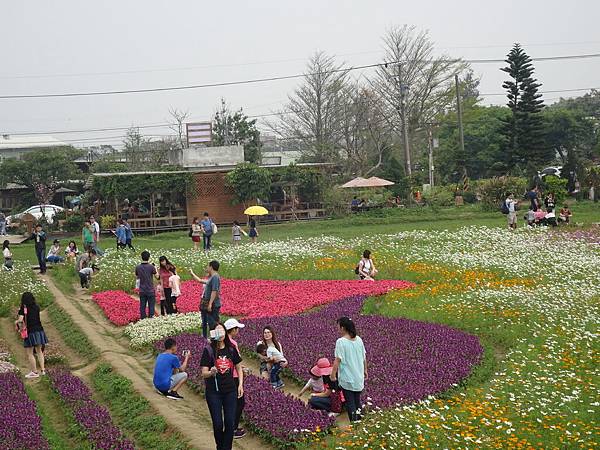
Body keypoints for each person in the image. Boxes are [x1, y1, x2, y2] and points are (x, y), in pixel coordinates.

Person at [200, 322, 244, 450]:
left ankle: (226, 448)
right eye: (217, 331)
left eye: (222, 331)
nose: (220, 334)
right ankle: (220, 446)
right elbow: (204, 373)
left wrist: (240, 384)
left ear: (225, 332)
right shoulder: (208, 350)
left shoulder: (231, 349)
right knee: (218, 423)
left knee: (230, 422)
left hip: (230, 390)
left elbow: (238, 367)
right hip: (214, 392)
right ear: (213, 334)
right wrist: (211, 372)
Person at [331, 317, 367, 422]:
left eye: (338, 326)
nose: (337, 329)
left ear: (343, 328)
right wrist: (365, 370)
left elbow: (337, 359)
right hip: (358, 376)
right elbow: (364, 357)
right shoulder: (359, 339)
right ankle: (361, 421)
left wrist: (333, 374)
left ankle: (355, 423)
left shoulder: (341, 342)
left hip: (348, 377)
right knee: (357, 401)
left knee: (350, 402)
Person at [14, 292, 48, 378]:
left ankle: (34, 372)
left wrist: (16, 322)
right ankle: (43, 370)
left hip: (30, 332)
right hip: (39, 330)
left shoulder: (23, 308)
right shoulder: (36, 307)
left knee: (30, 353)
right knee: (39, 351)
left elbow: (21, 320)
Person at [224, 318, 248, 439]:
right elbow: (236, 361)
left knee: (230, 403)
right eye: (237, 329)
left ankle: (231, 427)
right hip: (234, 376)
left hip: (226, 376)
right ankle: (233, 429)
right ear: (232, 330)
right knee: (239, 403)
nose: (238, 331)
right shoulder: (232, 344)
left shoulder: (222, 342)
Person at [190, 260, 221, 340]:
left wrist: (210, 303)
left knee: (213, 323)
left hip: (213, 304)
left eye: (208, 266)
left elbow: (214, 291)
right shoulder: (212, 277)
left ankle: (216, 340)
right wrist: (192, 274)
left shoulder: (215, 277)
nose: (207, 267)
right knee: (209, 322)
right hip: (209, 303)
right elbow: (201, 281)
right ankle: (212, 339)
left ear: (211, 267)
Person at [135, 251, 157, 319]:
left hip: (142, 290)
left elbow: (137, 276)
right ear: (149, 257)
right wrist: (155, 267)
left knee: (142, 306)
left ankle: (143, 319)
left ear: (141, 257)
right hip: (150, 289)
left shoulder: (138, 267)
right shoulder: (151, 267)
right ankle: (151, 319)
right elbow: (156, 275)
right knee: (151, 306)